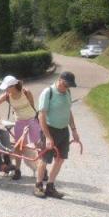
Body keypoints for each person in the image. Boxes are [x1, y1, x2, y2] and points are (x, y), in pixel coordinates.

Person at [34, 71, 81, 199]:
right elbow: (41, 115)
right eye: (66, 85)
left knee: (60, 159)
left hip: (63, 130)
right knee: (44, 159)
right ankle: (38, 185)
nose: (67, 88)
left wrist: (74, 130)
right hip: (50, 129)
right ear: (60, 80)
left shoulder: (67, 93)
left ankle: (50, 186)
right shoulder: (48, 92)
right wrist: (48, 137)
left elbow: (68, 111)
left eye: (69, 86)